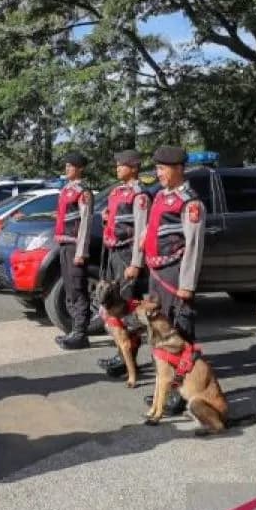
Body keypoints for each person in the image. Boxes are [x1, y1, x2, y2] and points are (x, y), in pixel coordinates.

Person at [132, 146, 205, 415]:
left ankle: (180, 392)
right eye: (158, 168)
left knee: (180, 332)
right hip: (157, 274)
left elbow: (194, 246)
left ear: (178, 169)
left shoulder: (190, 202)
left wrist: (187, 284)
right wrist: (144, 242)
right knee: (161, 332)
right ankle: (163, 389)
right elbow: (153, 227)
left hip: (175, 275)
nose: (158, 173)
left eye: (163, 169)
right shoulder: (162, 196)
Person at [97, 150, 150, 378]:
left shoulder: (139, 195)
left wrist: (136, 262)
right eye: (117, 164)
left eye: (122, 165)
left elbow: (141, 231)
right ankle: (121, 352)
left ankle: (129, 358)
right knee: (113, 304)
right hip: (114, 252)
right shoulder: (119, 192)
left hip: (128, 253)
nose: (117, 168)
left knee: (127, 307)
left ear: (134, 168)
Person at [51, 152, 94, 350]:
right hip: (64, 245)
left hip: (75, 245)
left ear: (80, 168)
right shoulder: (67, 190)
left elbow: (85, 222)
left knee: (78, 288)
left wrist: (81, 251)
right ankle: (73, 331)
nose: (67, 169)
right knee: (69, 288)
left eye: (71, 166)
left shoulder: (83, 191)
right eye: (66, 165)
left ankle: (80, 333)